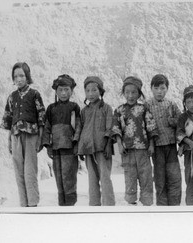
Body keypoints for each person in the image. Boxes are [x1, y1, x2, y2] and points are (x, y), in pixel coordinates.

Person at [0, 62, 46, 207]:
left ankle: (33, 203)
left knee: (29, 171)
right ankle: (23, 204)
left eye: (21, 75)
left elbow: (41, 117)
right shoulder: (11, 97)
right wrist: (9, 141)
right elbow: (8, 119)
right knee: (18, 171)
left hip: (31, 136)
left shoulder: (34, 94)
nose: (18, 79)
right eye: (15, 76)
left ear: (27, 76)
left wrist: (40, 137)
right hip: (15, 136)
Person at [111, 76, 158, 206]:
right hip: (127, 151)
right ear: (123, 93)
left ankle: (147, 202)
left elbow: (151, 127)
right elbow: (116, 129)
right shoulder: (119, 110)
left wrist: (152, 145)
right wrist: (120, 144)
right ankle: (131, 202)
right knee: (130, 176)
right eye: (127, 92)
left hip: (143, 150)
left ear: (139, 93)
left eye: (134, 92)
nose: (130, 95)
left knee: (146, 176)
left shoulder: (144, 109)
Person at [42, 74, 81, 206]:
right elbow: (47, 127)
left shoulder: (74, 107)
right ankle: (61, 204)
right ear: (56, 91)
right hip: (55, 148)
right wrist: (47, 146)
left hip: (70, 148)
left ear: (72, 91)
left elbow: (78, 126)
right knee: (58, 176)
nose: (63, 93)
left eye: (67, 90)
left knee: (69, 176)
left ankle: (70, 203)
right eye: (60, 90)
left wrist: (76, 143)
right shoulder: (51, 108)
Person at [78, 76, 115, 206]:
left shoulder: (107, 108)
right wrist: (80, 148)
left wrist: (108, 145)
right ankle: (94, 206)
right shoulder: (84, 111)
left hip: (103, 148)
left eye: (94, 90)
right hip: (88, 149)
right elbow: (82, 129)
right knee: (92, 178)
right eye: (87, 91)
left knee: (105, 178)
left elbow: (110, 128)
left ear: (100, 91)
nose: (91, 94)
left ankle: (109, 206)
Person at [146, 74, 182, 206]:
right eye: (156, 88)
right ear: (151, 89)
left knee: (174, 177)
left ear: (167, 89)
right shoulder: (147, 105)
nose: (159, 91)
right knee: (160, 178)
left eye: (162, 88)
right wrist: (150, 144)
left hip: (171, 146)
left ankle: (174, 207)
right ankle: (162, 208)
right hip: (157, 147)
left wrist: (173, 121)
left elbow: (181, 122)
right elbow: (146, 126)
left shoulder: (171, 104)